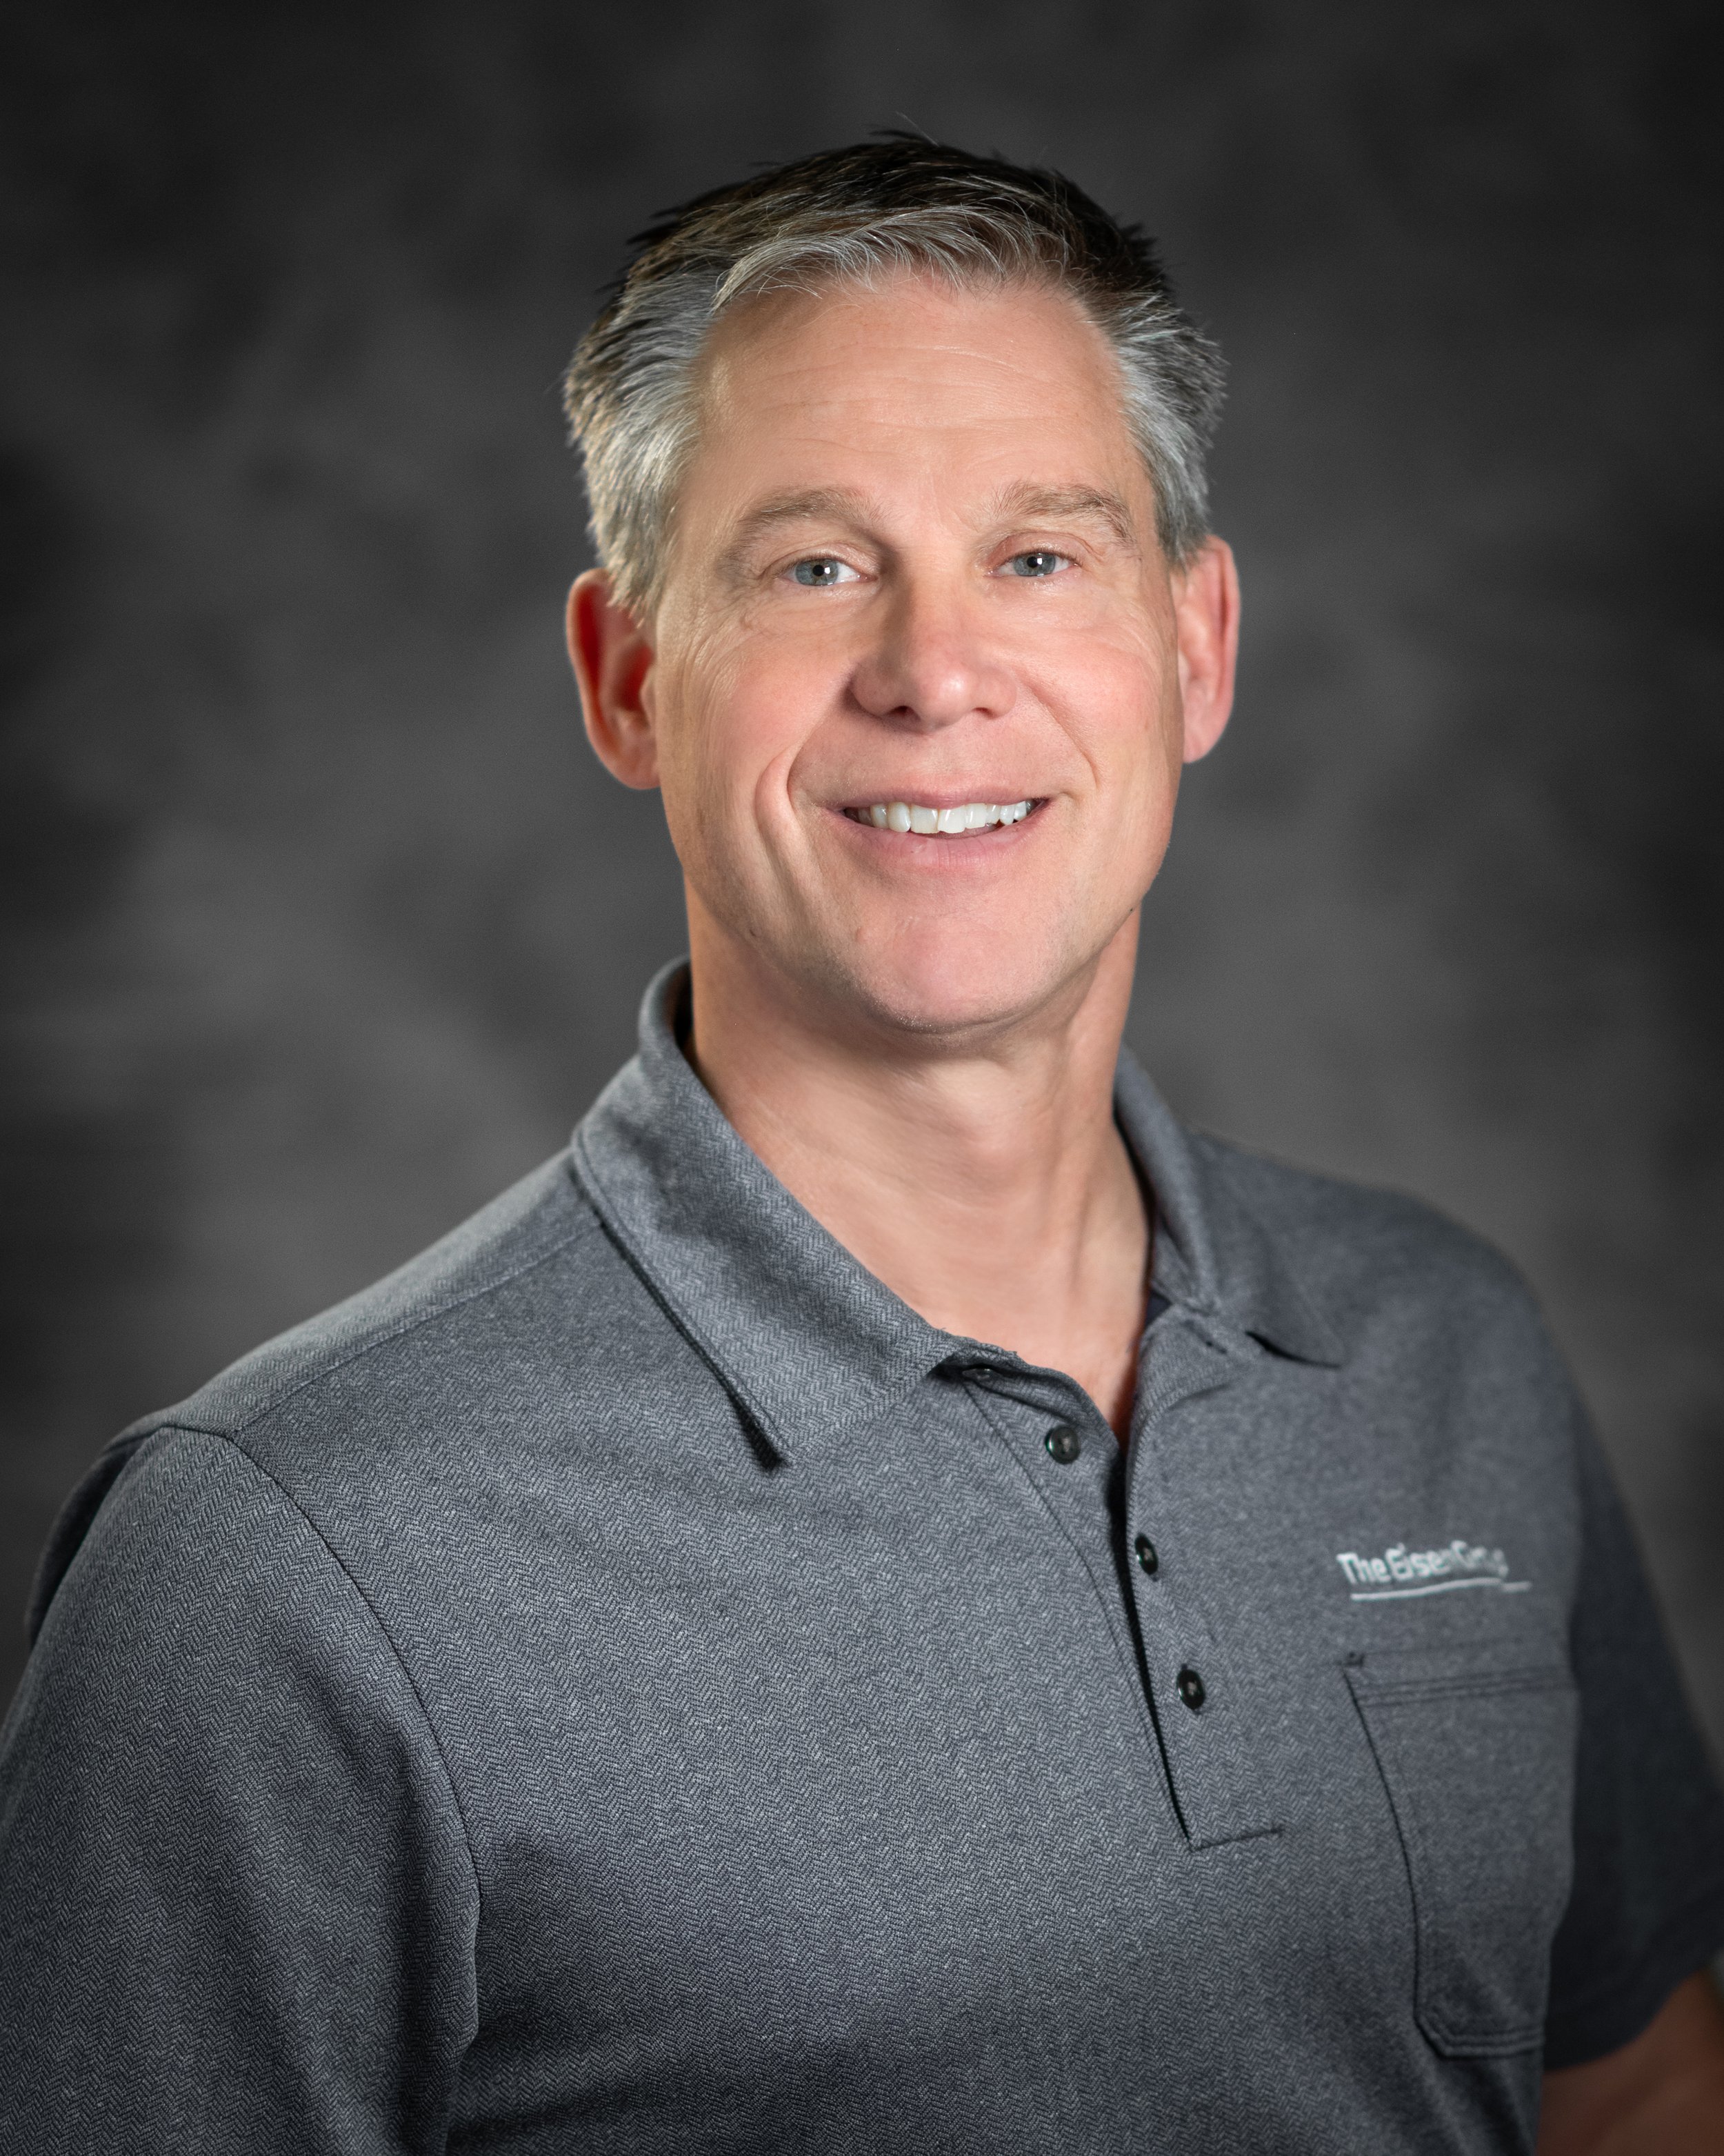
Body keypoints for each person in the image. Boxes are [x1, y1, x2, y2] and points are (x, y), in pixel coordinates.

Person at [1, 137, 1721, 2156]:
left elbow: (1633, 2093)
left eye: (1039, 556)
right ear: (629, 679)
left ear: (1196, 650)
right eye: (815, 567)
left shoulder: (1443, 1346)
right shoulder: (272, 1562)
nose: (933, 675)